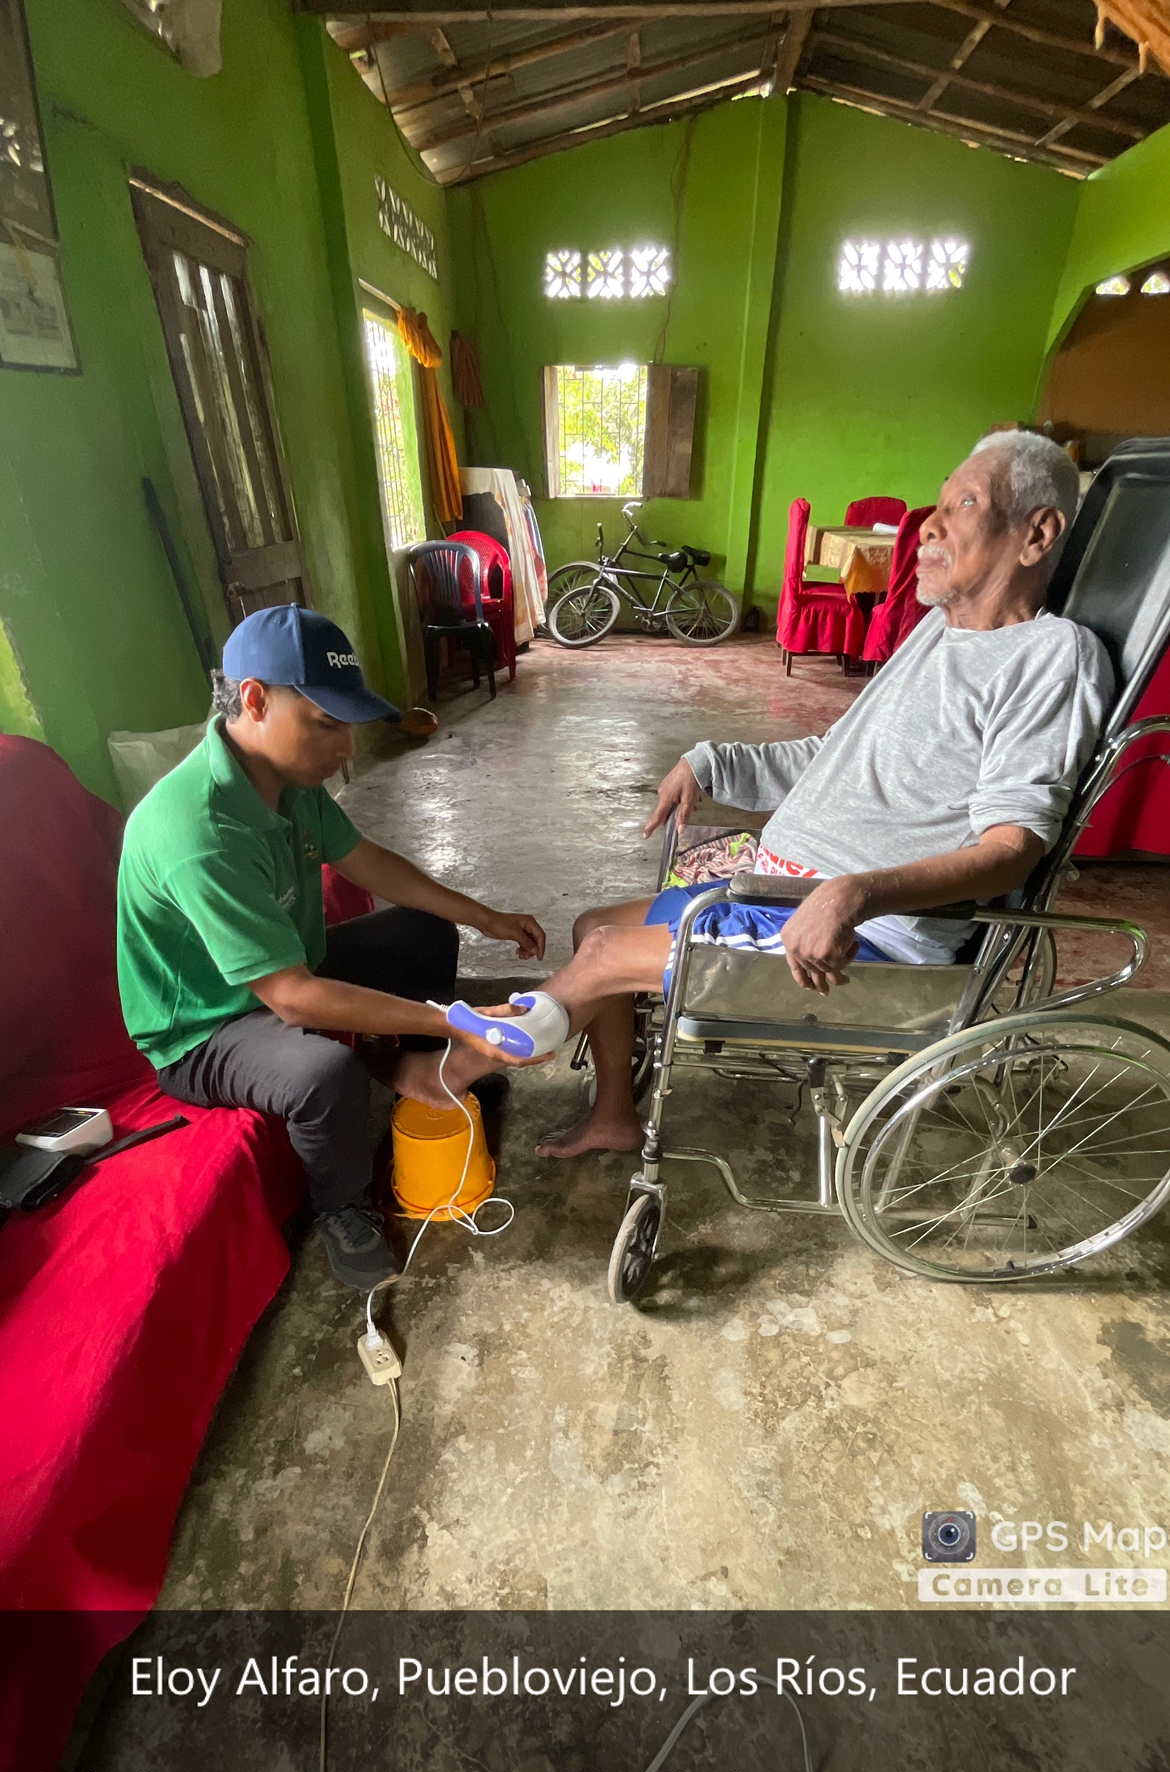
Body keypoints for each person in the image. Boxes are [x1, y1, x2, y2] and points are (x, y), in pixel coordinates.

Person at [414, 431, 1112, 1157]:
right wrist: (711, 761)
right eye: (937, 504)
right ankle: (614, 1115)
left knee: (602, 958)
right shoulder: (938, 631)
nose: (929, 526)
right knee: (594, 927)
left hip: (866, 934)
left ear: (1038, 534)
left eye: (963, 504)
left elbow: (1013, 849)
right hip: (781, 887)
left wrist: (853, 894)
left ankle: (448, 1075)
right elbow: (834, 755)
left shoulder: (1050, 658)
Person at [116, 605, 545, 1288]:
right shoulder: (197, 832)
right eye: (327, 723)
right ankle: (341, 1208)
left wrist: (484, 917)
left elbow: (367, 862)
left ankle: (423, 1075)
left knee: (424, 932)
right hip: (205, 1027)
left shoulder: (287, 781)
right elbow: (292, 998)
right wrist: (456, 1019)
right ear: (255, 700)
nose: (347, 748)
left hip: (286, 966)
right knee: (324, 1075)